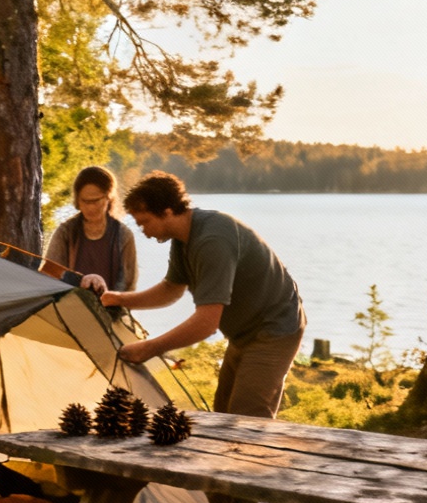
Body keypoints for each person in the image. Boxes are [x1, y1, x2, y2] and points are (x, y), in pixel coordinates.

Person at [93, 172, 306, 418]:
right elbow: (170, 290)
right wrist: (118, 299)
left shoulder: (212, 240)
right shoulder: (183, 239)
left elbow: (206, 323)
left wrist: (149, 348)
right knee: (223, 415)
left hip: (274, 329)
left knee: (248, 420)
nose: (143, 231)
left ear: (168, 211)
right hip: (243, 333)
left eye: (145, 222)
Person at [45, 165, 137, 294]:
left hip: (110, 309)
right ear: (78, 200)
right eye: (85, 201)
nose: (91, 208)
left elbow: (128, 285)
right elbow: (50, 275)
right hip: (70, 305)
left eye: (95, 201)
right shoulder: (65, 232)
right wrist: (81, 281)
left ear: (108, 198)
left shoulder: (124, 235)